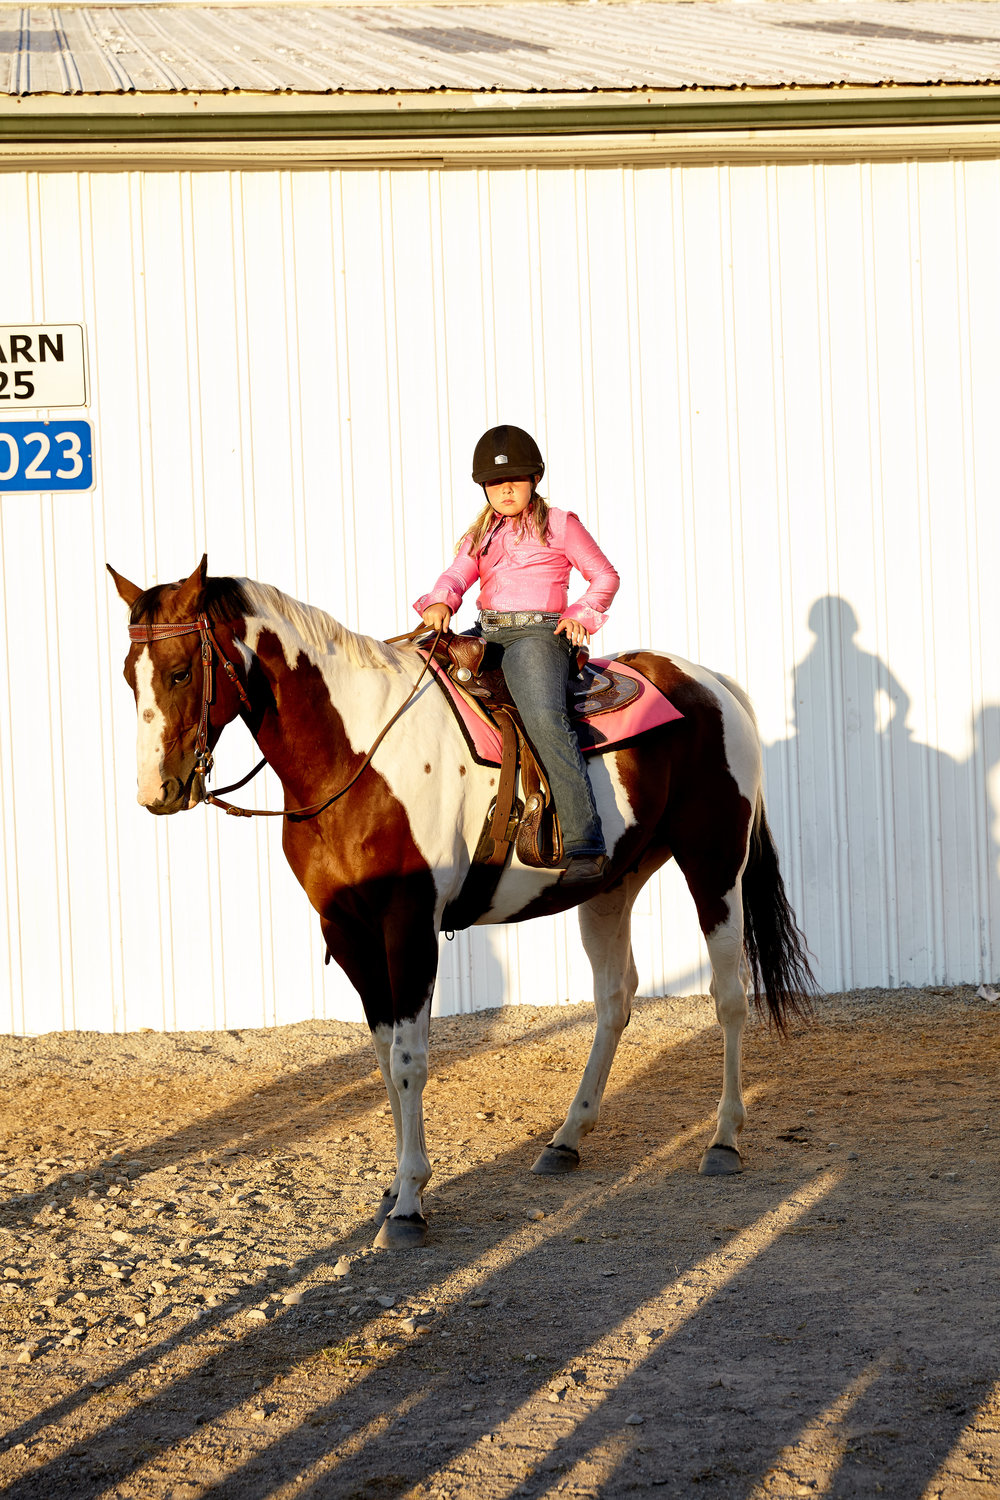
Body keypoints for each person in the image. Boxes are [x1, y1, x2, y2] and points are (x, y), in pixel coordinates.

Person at [415, 424, 620, 885]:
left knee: (545, 717)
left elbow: (604, 577)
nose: (505, 490)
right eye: (494, 483)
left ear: (534, 479)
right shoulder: (483, 532)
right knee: (417, 666)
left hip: (538, 636)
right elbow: (457, 573)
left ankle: (586, 841)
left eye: (514, 479)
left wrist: (580, 616)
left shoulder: (562, 524)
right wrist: (441, 600)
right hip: (487, 632)